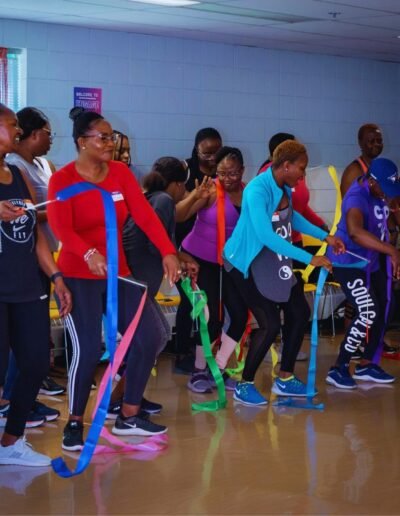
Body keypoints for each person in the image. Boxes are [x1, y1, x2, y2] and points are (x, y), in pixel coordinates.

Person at [47, 108, 180, 451]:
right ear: (81, 142)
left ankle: (129, 414)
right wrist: (88, 254)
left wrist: (168, 250)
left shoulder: (120, 174)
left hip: (118, 273)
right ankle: (75, 421)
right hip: (80, 275)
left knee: (150, 336)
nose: (110, 143)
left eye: (112, 137)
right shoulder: (62, 180)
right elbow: (61, 227)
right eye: (102, 138)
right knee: (88, 348)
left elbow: (145, 216)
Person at [224, 140, 344, 405]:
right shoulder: (257, 190)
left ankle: (285, 378)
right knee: (269, 324)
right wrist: (312, 258)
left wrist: (327, 237)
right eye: (301, 168)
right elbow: (266, 235)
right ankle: (245, 385)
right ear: (286, 165)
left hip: (271, 260)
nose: (303, 174)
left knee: (299, 311)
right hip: (244, 262)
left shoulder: (284, 187)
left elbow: (292, 218)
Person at [0, 103, 72, 466]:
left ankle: (11, 443)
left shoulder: (16, 172)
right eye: (10, 125)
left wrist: (56, 275)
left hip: (28, 284)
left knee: (34, 362)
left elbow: (34, 233)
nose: (16, 131)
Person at [106, 156, 200, 418]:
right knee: (153, 337)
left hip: (133, 281)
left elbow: (159, 242)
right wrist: (175, 263)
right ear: (178, 185)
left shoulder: (151, 197)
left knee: (154, 338)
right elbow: (154, 242)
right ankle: (119, 399)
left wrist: (180, 258)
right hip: (134, 282)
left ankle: (128, 395)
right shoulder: (164, 200)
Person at [326, 158, 400, 389]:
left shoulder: (381, 193)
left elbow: (387, 218)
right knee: (368, 310)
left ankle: (367, 363)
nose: (387, 195)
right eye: (384, 190)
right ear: (371, 181)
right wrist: (391, 250)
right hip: (347, 262)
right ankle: (339, 367)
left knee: (386, 307)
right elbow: (355, 232)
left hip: (371, 261)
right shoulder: (356, 196)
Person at [174, 128, 222, 373]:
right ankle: (181, 352)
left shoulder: (222, 173)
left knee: (205, 303)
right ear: (196, 150)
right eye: (207, 152)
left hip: (208, 251)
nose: (213, 157)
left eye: (217, 151)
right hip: (183, 247)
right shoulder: (185, 170)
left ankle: (199, 351)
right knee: (187, 300)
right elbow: (174, 210)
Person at [340, 124, 383, 197]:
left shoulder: (379, 167)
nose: (376, 144)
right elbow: (349, 206)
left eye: (379, 141)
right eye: (371, 141)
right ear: (360, 143)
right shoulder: (353, 172)